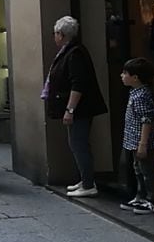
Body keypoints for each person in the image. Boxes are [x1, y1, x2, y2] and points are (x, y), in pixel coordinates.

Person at [45, 16, 108, 198]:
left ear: (62, 34)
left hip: (80, 109)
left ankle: (88, 184)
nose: (54, 37)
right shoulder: (70, 51)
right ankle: (85, 179)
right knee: (77, 143)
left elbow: (78, 84)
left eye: (55, 33)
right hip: (79, 108)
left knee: (79, 144)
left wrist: (70, 109)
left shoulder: (75, 53)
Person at [119, 58, 154, 214]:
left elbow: (146, 119)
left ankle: (152, 200)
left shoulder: (142, 95)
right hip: (133, 140)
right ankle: (141, 196)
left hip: (142, 141)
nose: (122, 76)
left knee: (147, 170)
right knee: (138, 169)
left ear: (135, 77)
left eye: (125, 73)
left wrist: (143, 143)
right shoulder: (135, 93)